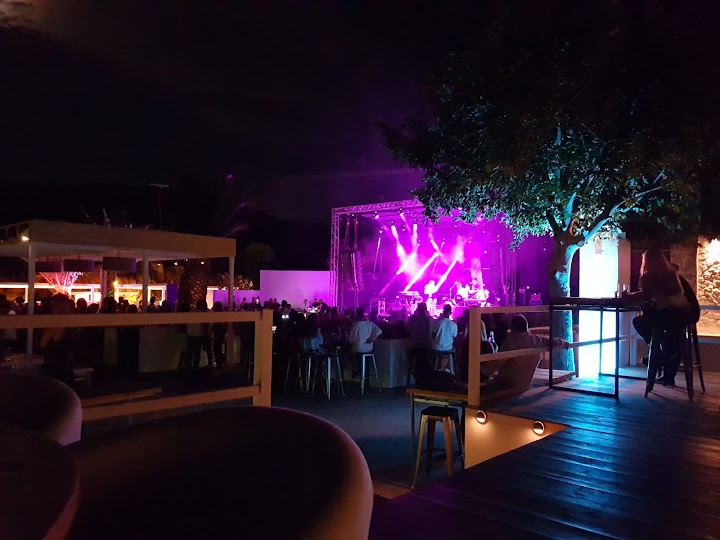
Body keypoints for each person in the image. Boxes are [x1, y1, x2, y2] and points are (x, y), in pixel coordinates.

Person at [629, 250, 694, 386]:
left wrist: (630, 296)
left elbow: (645, 297)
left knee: (639, 321)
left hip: (668, 316)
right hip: (685, 315)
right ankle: (664, 358)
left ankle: (657, 353)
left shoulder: (648, 278)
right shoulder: (674, 275)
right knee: (671, 337)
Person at [483, 314, 569, 395]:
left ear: (512, 327)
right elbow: (552, 342)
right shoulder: (536, 340)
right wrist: (563, 342)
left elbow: (494, 365)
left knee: (482, 390)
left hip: (506, 385)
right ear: (526, 327)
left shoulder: (509, 344)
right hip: (525, 385)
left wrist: (481, 372)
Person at [407, 302, 433, 385]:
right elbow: (432, 332)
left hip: (415, 345)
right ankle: (426, 380)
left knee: (418, 361)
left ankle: (418, 378)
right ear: (426, 309)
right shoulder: (429, 319)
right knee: (426, 362)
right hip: (426, 345)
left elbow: (409, 329)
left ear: (417, 309)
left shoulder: (412, 319)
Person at [431, 304, 458, 372]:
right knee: (455, 351)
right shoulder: (454, 325)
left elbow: (432, 336)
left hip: (436, 348)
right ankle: (452, 369)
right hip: (448, 348)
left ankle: (439, 369)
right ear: (450, 313)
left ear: (443, 312)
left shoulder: (437, 322)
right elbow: (454, 339)